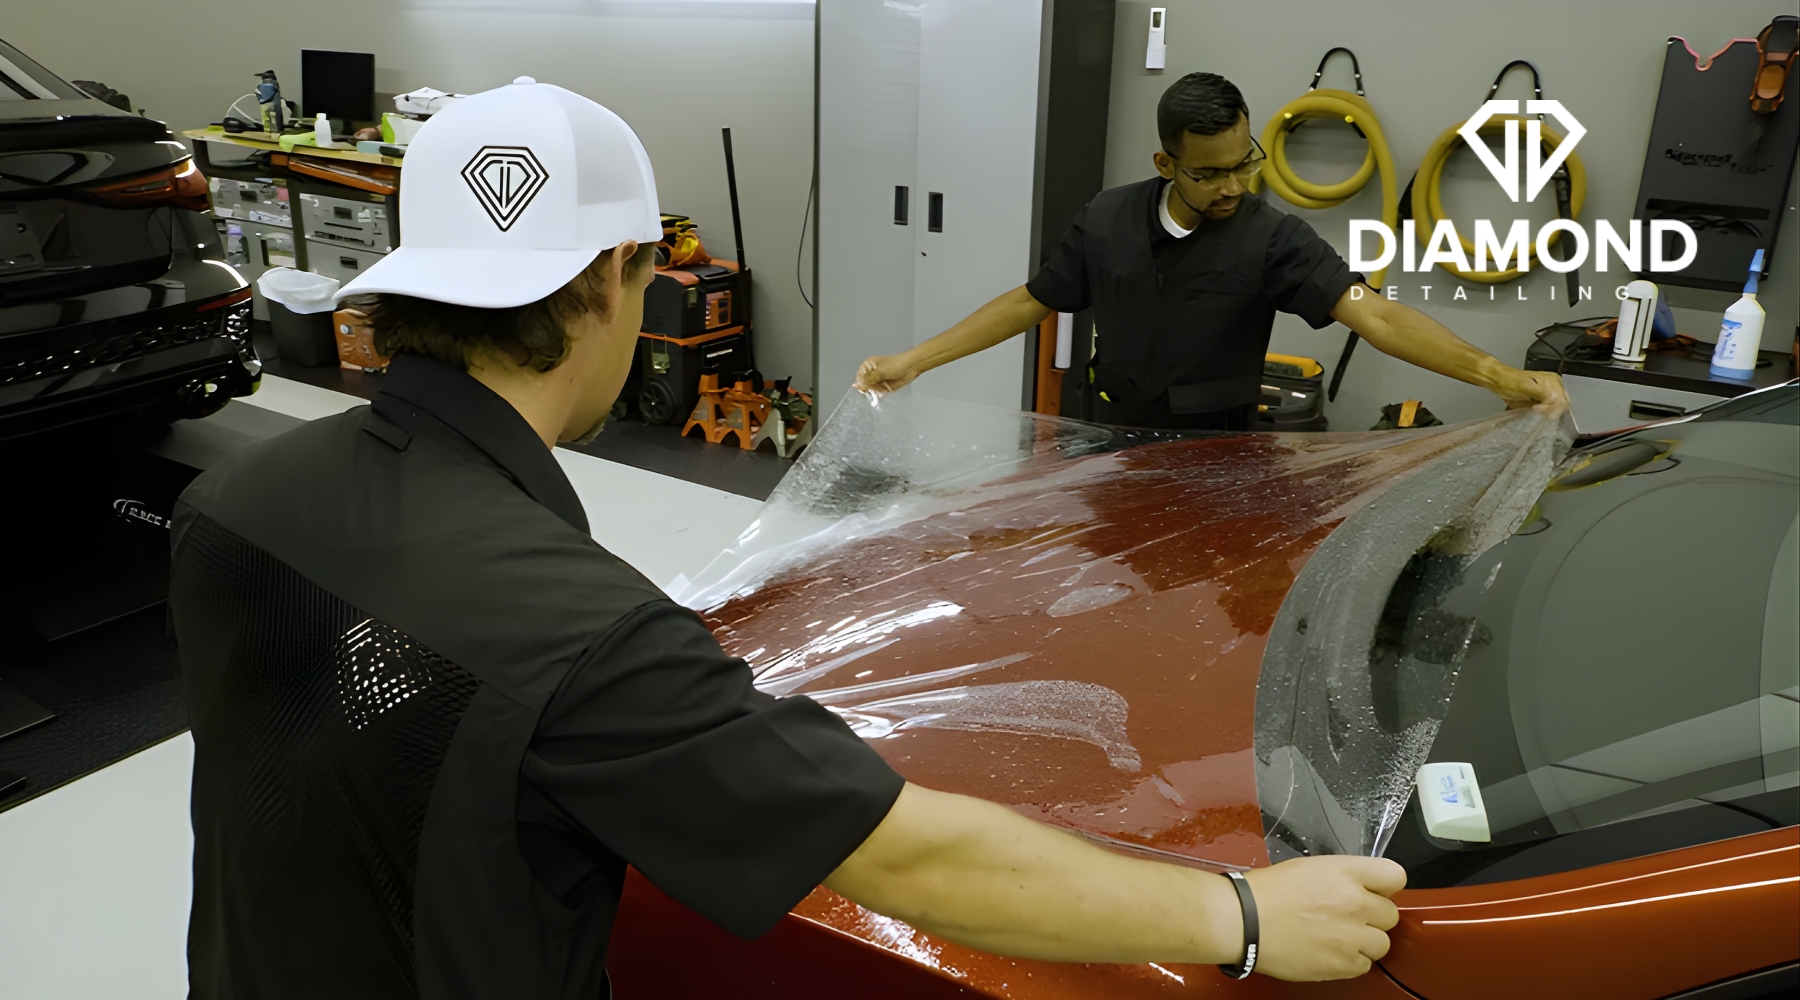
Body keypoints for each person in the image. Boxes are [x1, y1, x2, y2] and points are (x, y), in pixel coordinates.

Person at [170, 78, 1404, 1000]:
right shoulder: (581, 634)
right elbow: (908, 859)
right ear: (614, 275)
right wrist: (1241, 913)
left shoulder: (238, 493)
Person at [856, 72, 1568, 427]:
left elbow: (1375, 316)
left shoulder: (1272, 237)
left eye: (1243, 163)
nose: (1232, 186)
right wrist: (913, 361)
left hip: (1220, 449)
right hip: (1109, 433)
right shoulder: (1107, 218)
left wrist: (1492, 372)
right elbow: (1029, 302)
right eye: (1210, 172)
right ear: (1168, 164)